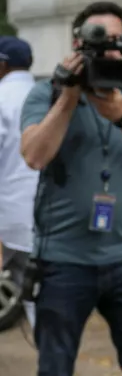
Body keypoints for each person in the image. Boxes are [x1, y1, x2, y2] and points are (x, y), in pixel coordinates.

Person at [20, 1, 122, 376]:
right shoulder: (47, 94)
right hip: (62, 260)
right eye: (97, 39)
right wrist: (69, 98)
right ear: (76, 44)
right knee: (55, 366)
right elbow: (34, 156)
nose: (107, 48)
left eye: (116, 40)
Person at [0, 37, 40, 328]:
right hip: (50, 217)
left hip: (9, 217)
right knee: (39, 298)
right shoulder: (50, 94)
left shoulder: (1, 98)